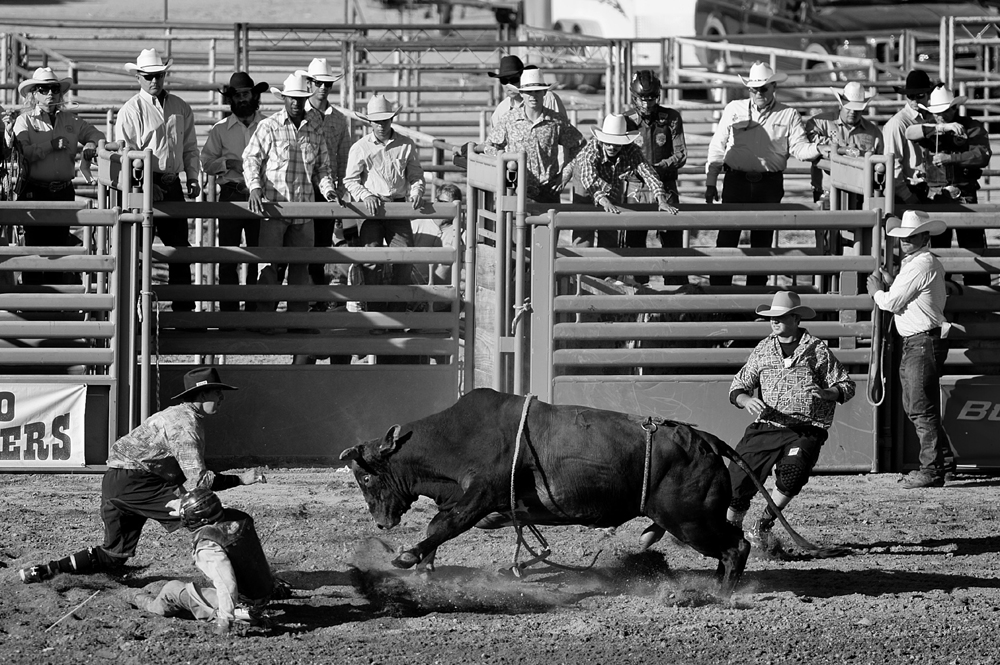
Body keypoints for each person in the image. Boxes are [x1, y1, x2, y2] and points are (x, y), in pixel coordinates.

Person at [18, 367, 267, 583]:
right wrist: (241, 479)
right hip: (137, 483)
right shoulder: (185, 426)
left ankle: (45, 571)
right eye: (217, 392)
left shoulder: (176, 415)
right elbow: (200, 481)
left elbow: (169, 465)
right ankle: (251, 584)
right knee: (215, 518)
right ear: (202, 395)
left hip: (118, 482)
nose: (222, 397)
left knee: (114, 555)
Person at [726, 291, 856, 553]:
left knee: (793, 474)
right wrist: (746, 400)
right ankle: (730, 530)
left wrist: (828, 393)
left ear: (796, 319)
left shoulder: (817, 350)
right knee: (737, 480)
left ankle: (763, 524)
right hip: (768, 425)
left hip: (805, 428)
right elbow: (738, 386)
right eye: (772, 317)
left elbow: (846, 385)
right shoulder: (763, 349)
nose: (774, 322)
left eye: (781, 317)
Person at [705, 62, 824, 287]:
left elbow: (799, 148)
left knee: (762, 242)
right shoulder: (734, 108)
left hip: (768, 183)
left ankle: (755, 294)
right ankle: (719, 293)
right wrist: (711, 181)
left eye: (763, 88)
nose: (758, 93)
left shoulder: (788, 114)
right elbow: (717, 145)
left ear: (773, 87)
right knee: (727, 239)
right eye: (754, 89)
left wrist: (819, 149)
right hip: (737, 181)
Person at [867, 210, 955, 489]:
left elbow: (891, 303)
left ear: (924, 237)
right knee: (920, 406)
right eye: (904, 236)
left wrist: (877, 291)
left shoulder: (920, 265)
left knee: (920, 407)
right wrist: (892, 285)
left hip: (920, 341)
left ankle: (932, 469)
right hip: (922, 341)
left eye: (911, 236)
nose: (905, 240)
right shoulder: (921, 263)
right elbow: (911, 296)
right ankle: (943, 463)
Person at [243, 73, 338, 326]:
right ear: (284, 99)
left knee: (300, 268)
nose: (296, 102)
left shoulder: (315, 129)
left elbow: (322, 168)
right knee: (269, 267)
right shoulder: (269, 126)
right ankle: (266, 321)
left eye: (300, 98)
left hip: (304, 210)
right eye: (292, 98)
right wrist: (255, 187)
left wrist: (328, 190)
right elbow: (251, 158)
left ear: (305, 99)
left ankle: (297, 321)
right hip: (274, 209)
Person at [116, 48, 201, 312]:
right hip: (141, 183)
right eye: (149, 76)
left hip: (171, 182)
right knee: (138, 250)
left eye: (158, 75)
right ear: (138, 77)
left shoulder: (180, 107)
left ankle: (182, 310)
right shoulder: (131, 110)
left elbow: (190, 146)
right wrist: (143, 185)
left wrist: (192, 176)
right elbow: (126, 154)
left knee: (179, 249)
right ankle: (136, 310)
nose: (154, 80)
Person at [129, 489, 276, 636]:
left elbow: (227, 584)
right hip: (264, 590)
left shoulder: (208, 545)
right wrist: (186, 506)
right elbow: (212, 508)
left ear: (203, 520)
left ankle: (139, 600)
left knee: (171, 590)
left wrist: (225, 620)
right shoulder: (239, 518)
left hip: (242, 604)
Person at [14, 67, 105, 285]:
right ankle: (34, 298)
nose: (50, 94)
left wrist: (91, 145)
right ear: (34, 94)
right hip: (35, 191)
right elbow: (23, 152)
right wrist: (50, 145)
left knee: (59, 248)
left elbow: (96, 134)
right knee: (35, 249)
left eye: (54, 89)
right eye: (43, 89)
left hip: (63, 192)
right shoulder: (24, 121)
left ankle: (53, 299)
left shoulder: (71, 121)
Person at [343, 94, 425, 312]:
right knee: (372, 261)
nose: (381, 125)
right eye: (377, 121)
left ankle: (396, 312)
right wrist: (366, 195)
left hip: (398, 206)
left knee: (404, 257)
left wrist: (416, 191)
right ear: (370, 122)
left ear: (391, 120)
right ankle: (378, 312)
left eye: (385, 120)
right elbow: (350, 180)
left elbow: (416, 175)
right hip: (371, 208)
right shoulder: (360, 147)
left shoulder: (406, 145)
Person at [906, 86, 991, 286]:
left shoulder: (971, 127)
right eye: (937, 113)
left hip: (963, 194)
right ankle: (939, 291)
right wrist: (941, 128)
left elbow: (982, 156)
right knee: (937, 249)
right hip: (936, 196)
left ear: (953, 109)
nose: (940, 116)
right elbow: (909, 133)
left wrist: (951, 158)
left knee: (972, 248)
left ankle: (978, 294)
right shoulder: (929, 127)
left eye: (944, 112)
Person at [201, 72, 268, 312]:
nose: (242, 99)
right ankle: (229, 314)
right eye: (237, 95)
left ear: (254, 96)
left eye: (245, 94)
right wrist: (228, 163)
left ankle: (252, 311)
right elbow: (206, 162)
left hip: (261, 194)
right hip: (231, 193)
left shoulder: (268, 126)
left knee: (258, 256)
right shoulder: (220, 129)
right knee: (228, 256)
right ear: (231, 99)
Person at [476, 68, 584, 204]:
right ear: (522, 94)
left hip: (548, 191)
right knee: (515, 218)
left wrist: (565, 174)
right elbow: (490, 145)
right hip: (516, 189)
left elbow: (580, 146)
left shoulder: (556, 121)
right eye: (528, 92)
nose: (533, 96)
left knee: (548, 218)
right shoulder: (509, 119)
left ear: (544, 93)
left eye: (537, 91)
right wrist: (507, 161)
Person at [572, 114, 677, 253]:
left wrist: (661, 200)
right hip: (585, 180)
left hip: (612, 180)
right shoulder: (591, 151)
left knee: (610, 225)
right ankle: (581, 263)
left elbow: (648, 173)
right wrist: (604, 201)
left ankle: (606, 265)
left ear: (623, 143)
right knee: (584, 222)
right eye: (608, 143)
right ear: (602, 141)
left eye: (616, 144)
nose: (611, 147)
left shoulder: (632, 150)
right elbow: (589, 178)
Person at [296, 57, 352, 308]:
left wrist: (339, 191)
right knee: (297, 247)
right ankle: (301, 301)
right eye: (319, 83)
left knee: (320, 247)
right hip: (299, 189)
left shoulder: (338, 119)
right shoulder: (299, 113)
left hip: (325, 192)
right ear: (309, 83)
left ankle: (316, 302)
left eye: (327, 84)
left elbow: (344, 157)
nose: (323, 88)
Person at [624, 70, 687, 274]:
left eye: (651, 98)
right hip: (636, 186)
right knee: (633, 240)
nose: (646, 104)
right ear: (634, 97)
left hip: (666, 185)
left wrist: (660, 167)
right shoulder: (626, 121)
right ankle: (637, 284)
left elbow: (681, 154)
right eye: (642, 98)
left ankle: (675, 283)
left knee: (672, 239)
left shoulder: (671, 118)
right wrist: (637, 170)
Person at [806, 81, 884, 209]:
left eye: (857, 109)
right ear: (840, 105)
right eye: (849, 107)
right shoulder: (819, 123)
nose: (853, 112)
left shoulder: (874, 133)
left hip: (860, 194)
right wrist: (842, 149)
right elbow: (808, 146)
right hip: (827, 193)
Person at [882, 69, 935, 206]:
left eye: (920, 95)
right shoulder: (897, 123)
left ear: (928, 95)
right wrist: (907, 196)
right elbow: (893, 164)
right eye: (911, 96)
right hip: (909, 192)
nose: (915, 101)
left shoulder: (931, 118)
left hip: (926, 189)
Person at [488, 55, 567, 126]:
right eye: (504, 81)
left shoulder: (548, 98)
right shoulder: (501, 111)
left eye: (514, 79)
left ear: (523, 78)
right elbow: (494, 137)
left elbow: (563, 130)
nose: (509, 84)